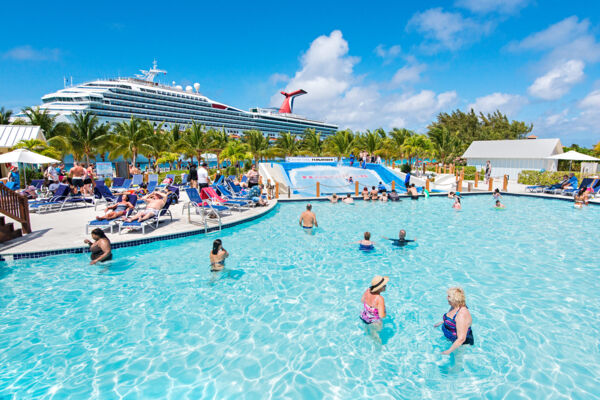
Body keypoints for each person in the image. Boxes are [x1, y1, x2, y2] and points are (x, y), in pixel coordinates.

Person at [433, 287, 474, 355]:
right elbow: (452, 320)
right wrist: (443, 322)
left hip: (461, 343)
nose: (446, 298)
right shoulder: (455, 306)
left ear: (455, 299)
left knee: (457, 361)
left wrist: (448, 351)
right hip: (451, 338)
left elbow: (461, 339)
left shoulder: (461, 314)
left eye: (449, 296)